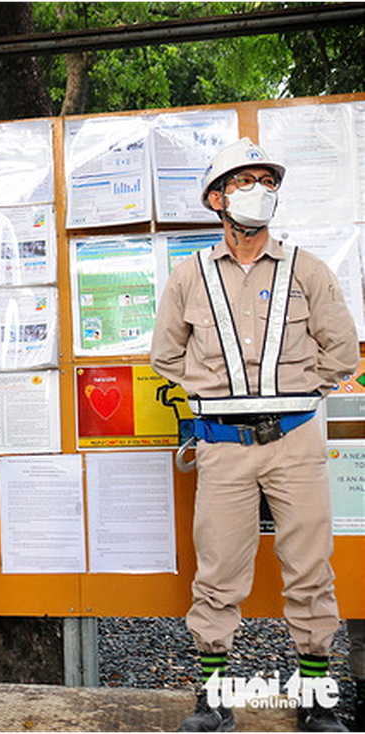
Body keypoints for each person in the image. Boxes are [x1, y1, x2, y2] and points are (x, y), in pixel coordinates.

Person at [150, 138, 358, 734]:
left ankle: (317, 701)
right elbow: (165, 355)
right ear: (217, 199)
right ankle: (214, 702)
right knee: (216, 573)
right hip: (223, 446)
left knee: (311, 570)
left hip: (296, 442)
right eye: (244, 181)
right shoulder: (189, 276)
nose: (258, 190)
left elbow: (342, 351)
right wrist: (216, 390)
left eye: (266, 180)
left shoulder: (307, 269)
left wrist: (295, 392)